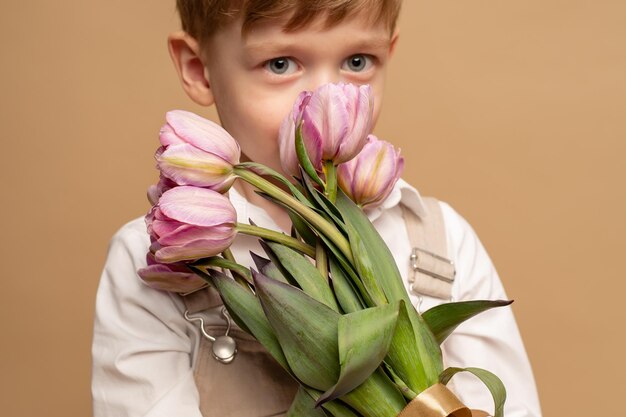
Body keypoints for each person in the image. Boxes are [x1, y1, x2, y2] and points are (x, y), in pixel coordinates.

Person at [92, 1, 542, 416]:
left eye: (357, 62)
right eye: (281, 64)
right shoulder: (158, 252)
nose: (325, 96)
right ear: (199, 69)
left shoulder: (440, 241)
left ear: (389, 53)